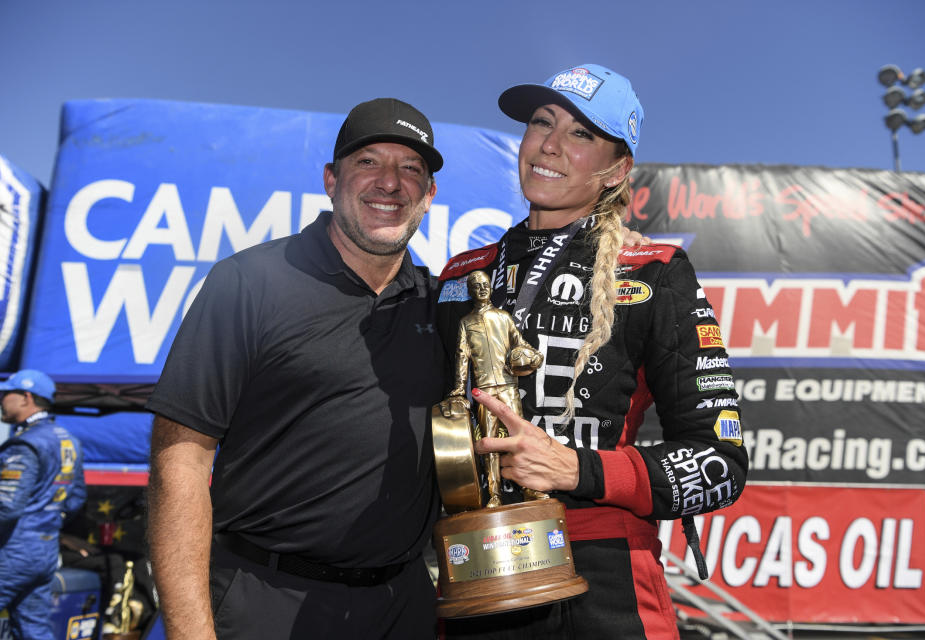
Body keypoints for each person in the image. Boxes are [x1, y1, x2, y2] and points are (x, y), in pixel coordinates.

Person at [435, 64, 749, 639]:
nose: (549, 145)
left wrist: (575, 468)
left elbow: (721, 466)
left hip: (606, 578)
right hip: (478, 566)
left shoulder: (656, 272)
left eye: (581, 134)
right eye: (540, 123)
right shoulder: (461, 276)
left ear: (616, 170)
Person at [146, 98, 447, 640]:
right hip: (265, 601)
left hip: (405, 606)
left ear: (428, 195)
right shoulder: (247, 283)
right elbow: (180, 460)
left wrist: (616, 238)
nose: (390, 182)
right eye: (369, 162)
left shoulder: (438, 302)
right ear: (331, 180)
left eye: (411, 170)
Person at [441, 270, 547, 507]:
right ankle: (495, 494)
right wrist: (458, 389)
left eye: (485, 284)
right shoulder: (465, 323)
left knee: (521, 438)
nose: (482, 288)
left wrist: (535, 357)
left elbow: (521, 344)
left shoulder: (504, 317)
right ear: (470, 291)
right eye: (476, 285)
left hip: (509, 387)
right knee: (489, 443)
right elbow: (462, 358)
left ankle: (530, 488)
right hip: (485, 391)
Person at [0, 369, 87, 640]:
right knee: (34, 628)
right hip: (46, 550)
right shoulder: (68, 440)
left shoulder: (25, 444)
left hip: (13, 551)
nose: (2, 399)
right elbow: (75, 498)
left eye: (6, 394)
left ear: (26, 397)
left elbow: (6, 505)